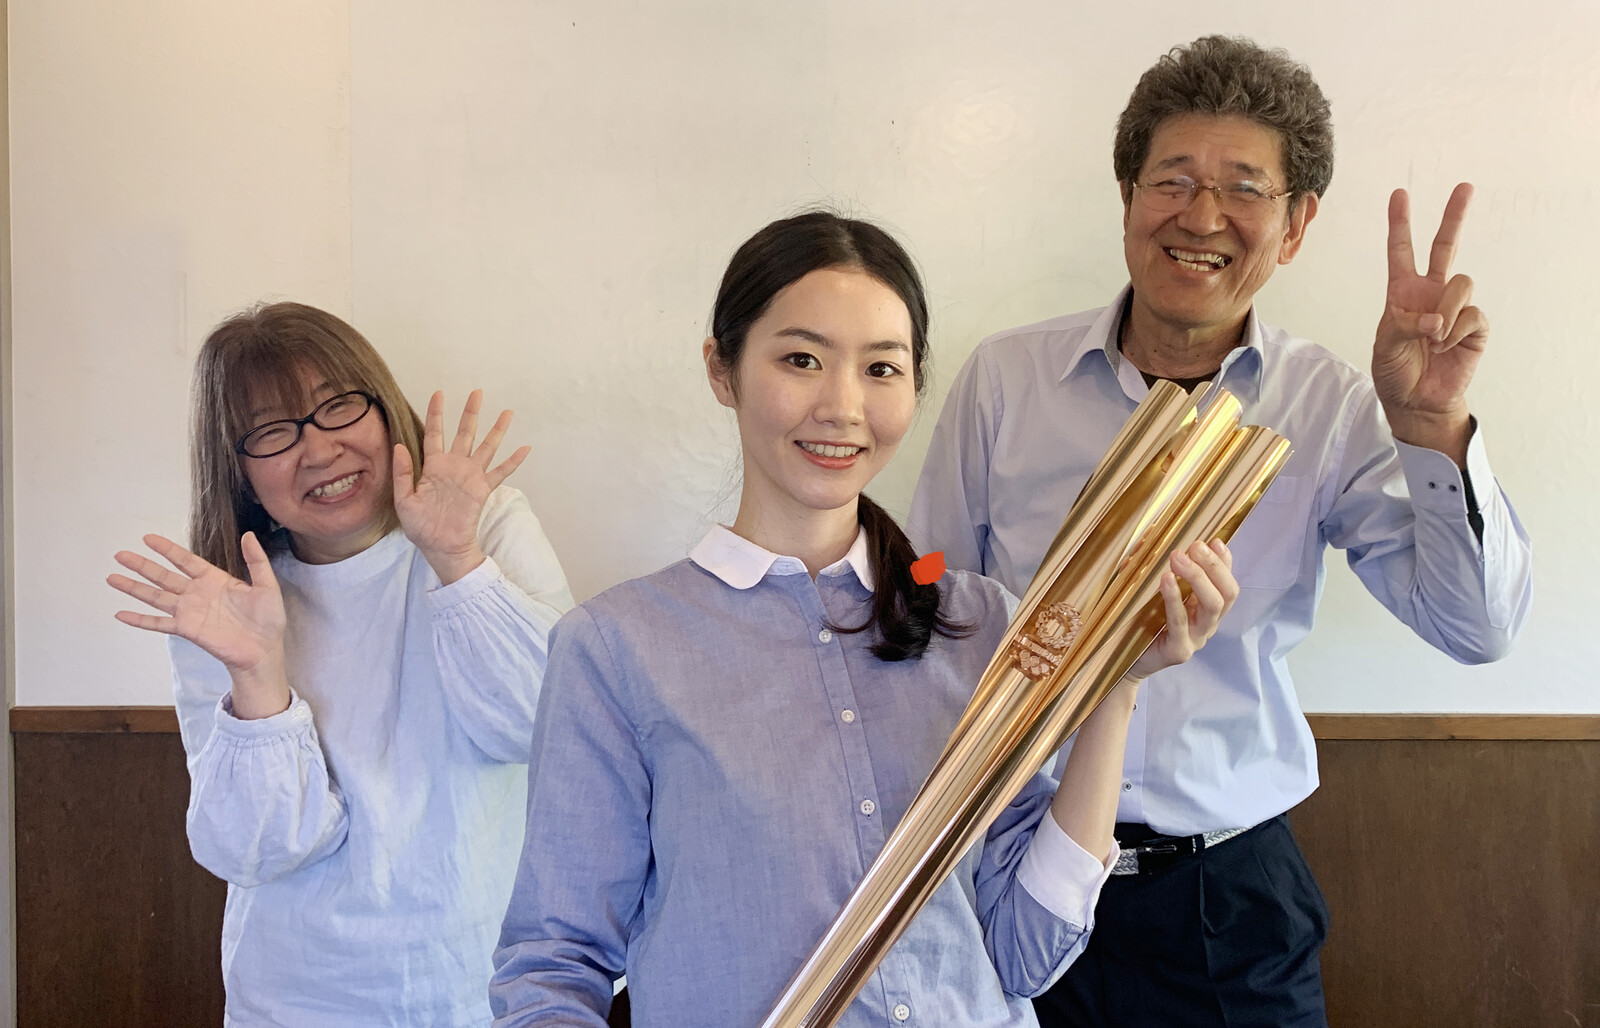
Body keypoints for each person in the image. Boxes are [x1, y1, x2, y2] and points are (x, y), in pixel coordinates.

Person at [908, 35, 1534, 1028]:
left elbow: (1476, 629)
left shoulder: (1326, 403)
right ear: (1127, 197)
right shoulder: (1005, 380)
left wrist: (1432, 426)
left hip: (1229, 897)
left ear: (1295, 225)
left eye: (1244, 188)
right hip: (1018, 868)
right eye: (1173, 180)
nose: (1201, 217)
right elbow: (928, 581)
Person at [489, 211, 1240, 1028]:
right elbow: (553, 966)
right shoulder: (615, 648)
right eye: (801, 360)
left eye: (881, 368)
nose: (843, 406)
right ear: (721, 369)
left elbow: (1026, 952)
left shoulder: (982, 622)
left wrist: (1116, 686)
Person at [106, 302, 574, 1027]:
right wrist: (257, 673)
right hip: (300, 997)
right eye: (272, 431)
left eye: (337, 407)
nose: (319, 450)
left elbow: (540, 728)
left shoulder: (488, 524)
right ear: (239, 472)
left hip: (487, 984)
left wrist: (456, 558)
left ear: (383, 409)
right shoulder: (222, 606)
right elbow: (259, 851)